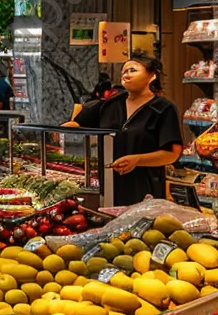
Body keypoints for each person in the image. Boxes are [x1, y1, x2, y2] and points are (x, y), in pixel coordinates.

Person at [66, 53, 183, 206]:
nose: (126, 75)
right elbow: (77, 124)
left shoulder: (163, 108)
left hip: (145, 190)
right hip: (107, 188)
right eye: (124, 72)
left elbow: (172, 153)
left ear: (152, 76)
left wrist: (137, 160)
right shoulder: (110, 104)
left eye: (132, 70)